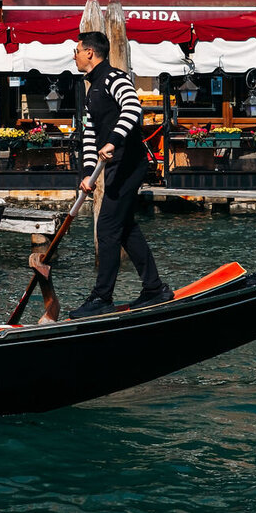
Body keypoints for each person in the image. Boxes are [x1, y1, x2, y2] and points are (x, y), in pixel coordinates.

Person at [69, 31, 173, 319]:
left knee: (107, 227)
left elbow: (132, 108)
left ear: (90, 52)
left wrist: (113, 140)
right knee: (125, 228)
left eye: (76, 51)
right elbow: (91, 135)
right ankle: (154, 288)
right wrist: (89, 174)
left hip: (130, 163)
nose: (74, 56)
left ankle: (102, 297)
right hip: (115, 166)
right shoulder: (91, 90)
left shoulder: (116, 78)